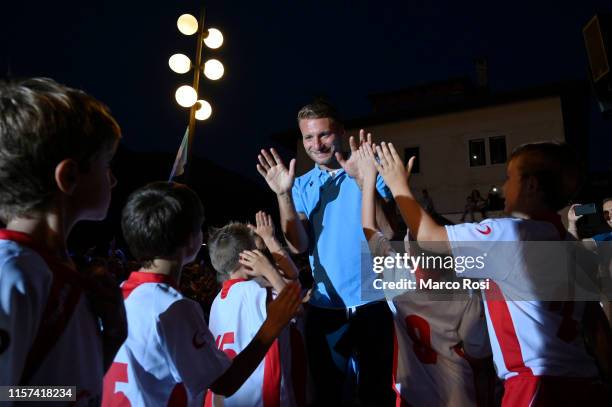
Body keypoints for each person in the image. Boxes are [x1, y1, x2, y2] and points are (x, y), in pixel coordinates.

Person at [370, 141, 609, 406]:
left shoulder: (510, 234)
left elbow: (429, 237)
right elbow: (597, 327)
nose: (504, 187)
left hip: (536, 384)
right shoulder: (573, 247)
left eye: (509, 178)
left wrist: (397, 184)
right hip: (587, 383)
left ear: (530, 185)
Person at [103, 182, 301, 406]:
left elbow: (70, 387)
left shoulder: (116, 294)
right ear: (191, 240)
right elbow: (225, 383)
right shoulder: (174, 307)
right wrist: (273, 324)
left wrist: (58, 395)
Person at [256, 100, 395, 405]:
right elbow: (298, 245)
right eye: (308, 137)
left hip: (375, 304)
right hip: (325, 310)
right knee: (328, 395)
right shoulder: (301, 185)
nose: (316, 144)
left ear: (341, 132)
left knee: (377, 396)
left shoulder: (370, 171)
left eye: (324, 135)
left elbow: (389, 234)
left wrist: (364, 182)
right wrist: (283, 195)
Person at [0, 77, 126, 404]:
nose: (113, 179)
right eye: (106, 164)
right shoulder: (12, 274)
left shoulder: (53, 270)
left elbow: (54, 386)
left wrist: (112, 336)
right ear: (68, 176)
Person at [357, 144, 492, 407]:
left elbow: (369, 228)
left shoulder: (397, 280)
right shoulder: (466, 294)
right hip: (457, 394)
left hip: (412, 393)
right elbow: (479, 354)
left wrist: (367, 182)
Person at [206, 212, 302, 407]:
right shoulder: (258, 292)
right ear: (248, 257)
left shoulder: (218, 301)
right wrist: (268, 267)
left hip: (231, 398)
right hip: (263, 397)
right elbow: (294, 297)